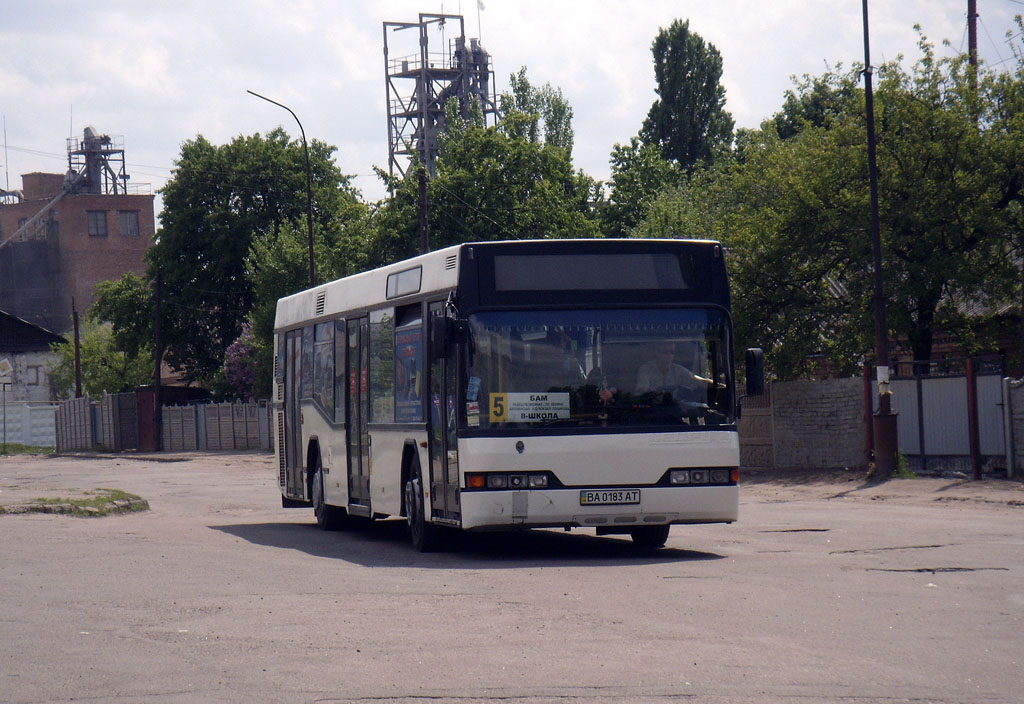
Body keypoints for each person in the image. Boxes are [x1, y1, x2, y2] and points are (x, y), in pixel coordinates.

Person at [635, 342, 712, 399]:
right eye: (665, 352)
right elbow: (642, 390)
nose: (669, 356)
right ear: (657, 352)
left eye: (672, 353)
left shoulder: (678, 370)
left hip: (674, 411)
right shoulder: (646, 369)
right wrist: (651, 391)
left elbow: (699, 381)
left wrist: (718, 385)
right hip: (651, 411)